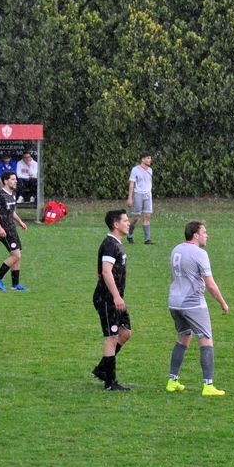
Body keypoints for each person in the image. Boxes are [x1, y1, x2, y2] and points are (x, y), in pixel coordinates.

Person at [166, 221, 230, 396]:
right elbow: (210, 284)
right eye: (204, 232)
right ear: (195, 235)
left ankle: (172, 381)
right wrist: (223, 303)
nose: (207, 235)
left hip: (174, 302)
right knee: (206, 340)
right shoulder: (200, 253)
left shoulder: (176, 249)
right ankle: (208, 385)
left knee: (183, 337)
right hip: (192, 302)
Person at [92, 210, 132, 391]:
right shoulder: (110, 244)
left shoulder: (116, 244)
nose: (128, 223)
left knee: (125, 333)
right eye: (125, 220)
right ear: (116, 224)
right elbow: (106, 271)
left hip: (114, 298)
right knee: (112, 337)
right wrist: (116, 296)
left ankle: (102, 369)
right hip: (108, 298)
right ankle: (110, 382)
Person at [0, 171, 29, 291]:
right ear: (6, 181)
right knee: (16, 255)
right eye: (12, 179)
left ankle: (15, 284)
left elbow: (12, 212)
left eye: (15, 179)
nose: (15, 181)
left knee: (18, 255)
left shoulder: (12, 194)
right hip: (4, 231)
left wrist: (20, 222)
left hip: (12, 229)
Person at [126, 151, 154, 245]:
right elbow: (132, 184)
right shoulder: (135, 170)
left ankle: (147, 239)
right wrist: (130, 198)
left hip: (148, 195)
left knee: (147, 216)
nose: (150, 160)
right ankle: (129, 234)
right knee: (135, 218)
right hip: (138, 195)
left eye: (150, 158)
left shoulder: (150, 170)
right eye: (148, 158)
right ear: (142, 159)